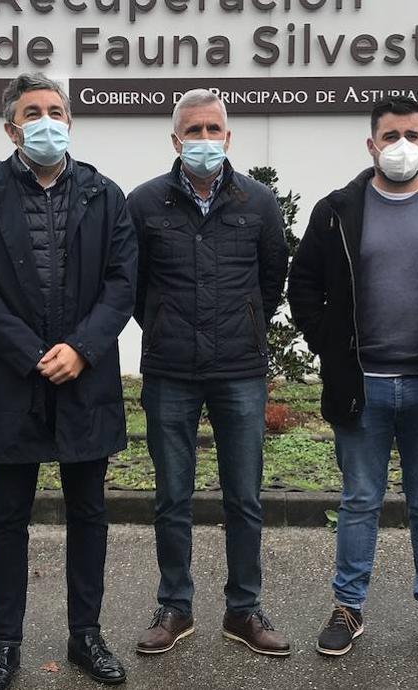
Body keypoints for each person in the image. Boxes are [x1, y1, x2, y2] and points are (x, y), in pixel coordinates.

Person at [287, 98, 418, 662]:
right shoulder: (337, 209)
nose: (400, 144)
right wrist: (327, 344)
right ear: (371, 144)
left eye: (411, 134)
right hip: (362, 385)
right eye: (389, 134)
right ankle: (347, 606)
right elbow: (303, 282)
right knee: (360, 500)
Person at [0, 72, 136, 690]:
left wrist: (82, 349)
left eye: (56, 110)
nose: (48, 121)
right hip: (13, 379)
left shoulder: (105, 195)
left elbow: (122, 283)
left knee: (89, 513)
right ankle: (4, 646)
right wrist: (33, 352)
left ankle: (86, 636)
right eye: (34, 112)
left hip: (86, 378)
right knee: (7, 519)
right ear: (11, 128)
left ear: (70, 122)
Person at [126, 89, 291, 657]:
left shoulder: (260, 202)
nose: (203, 140)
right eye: (192, 131)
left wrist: (244, 324)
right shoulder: (144, 204)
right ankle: (175, 606)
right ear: (175, 140)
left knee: (244, 498)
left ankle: (244, 610)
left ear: (228, 137)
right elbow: (132, 286)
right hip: (169, 370)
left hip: (239, 370)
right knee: (172, 496)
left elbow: (272, 280)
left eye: (212, 130)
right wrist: (163, 323)